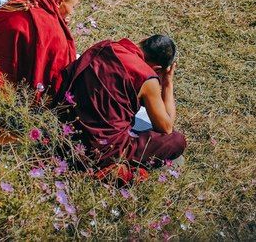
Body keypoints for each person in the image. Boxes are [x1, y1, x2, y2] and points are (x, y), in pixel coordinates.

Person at [55, 35, 186, 168]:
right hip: (101, 149)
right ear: (157, 69)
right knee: (177, 140)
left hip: (66, 125)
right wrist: (168, 83)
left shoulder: (106, 46)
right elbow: (166, 128)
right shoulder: (147, 77)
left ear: (141, 41)